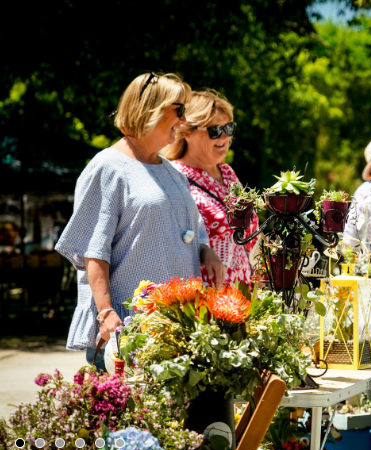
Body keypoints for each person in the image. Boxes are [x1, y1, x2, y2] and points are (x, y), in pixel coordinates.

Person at [55, 73, 225, 371]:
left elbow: (192, 232)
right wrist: (106, 312)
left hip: (175, 328)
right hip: (128, 330)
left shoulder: (173, 172)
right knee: (131, 418)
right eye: (179, 110)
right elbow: (93, 251)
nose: (184, 120)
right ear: (152, 109)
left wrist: (205, 251)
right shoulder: (108, 167)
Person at [162, 90, 258, 286]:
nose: (224, 136)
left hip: (243, 293)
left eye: (228, 128)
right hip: (204, 295)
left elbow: (251, 235)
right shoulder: (173, 176)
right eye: (214, 130)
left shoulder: (227, 172)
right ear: (187, 132)